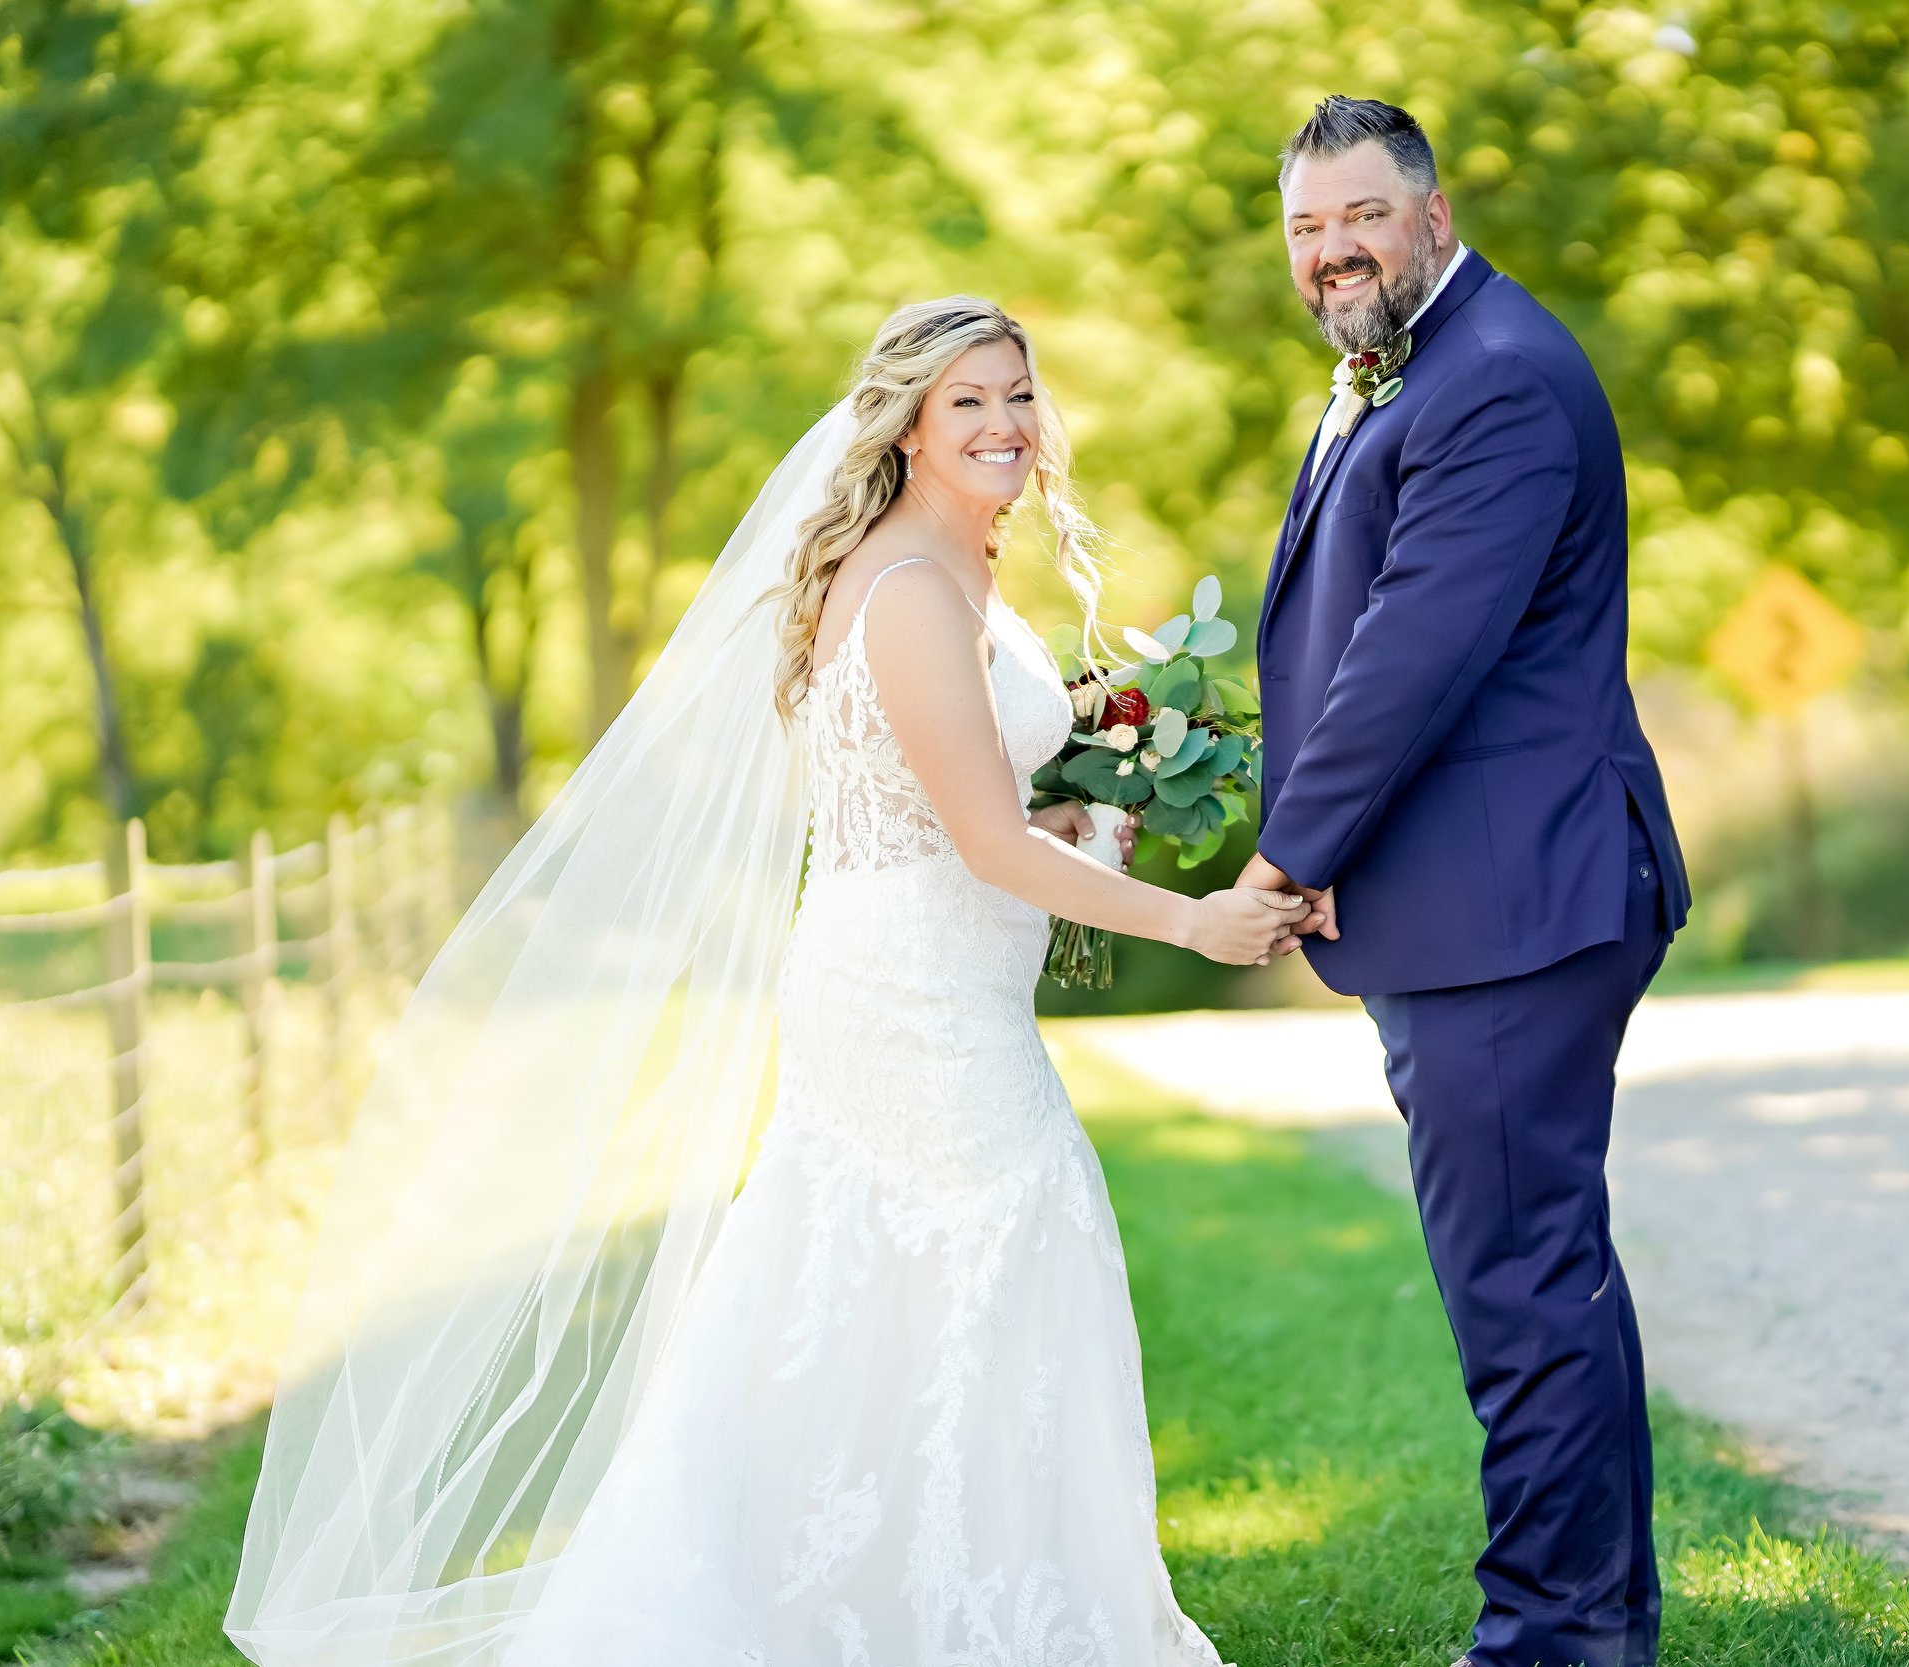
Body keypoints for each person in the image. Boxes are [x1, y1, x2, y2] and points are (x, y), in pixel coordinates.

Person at [225, 298, 1302, 1667]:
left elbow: (968, 805)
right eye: (967, 401)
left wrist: (1093, 816)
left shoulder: (952, 569)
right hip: (908, 991)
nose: (1004, 425)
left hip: (932, 970)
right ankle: (932, 1606)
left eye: (1019, 395)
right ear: (907, 425)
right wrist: (1192, 923)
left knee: (886, 1271)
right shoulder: (910, 589)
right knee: (987, 1243)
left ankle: (915, 1590)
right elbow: (977, 842)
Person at [1238, 96, 1693, 1667]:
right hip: (1481, 901)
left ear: (1434, 214)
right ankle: (1596, 1623)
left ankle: (1552, 1641)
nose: (1331, 251)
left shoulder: (1493, 380)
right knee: (1547, 1277)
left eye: (1360, 217)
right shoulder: (1409, 370)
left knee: (1520, 1295)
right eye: (1305, 227)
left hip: (1515, 906)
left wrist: (1286, 860)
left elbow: (1408, 662)